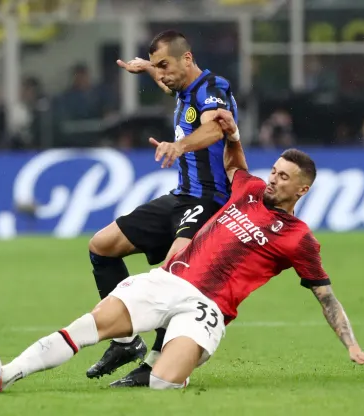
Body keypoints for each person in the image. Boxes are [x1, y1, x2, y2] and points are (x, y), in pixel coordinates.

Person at [0, 109, 364, 392]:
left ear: (302, 190)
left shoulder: (299, 238)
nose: (274, 179)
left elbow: (325, 295)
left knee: (163, 382)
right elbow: (235, 166)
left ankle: (164, 366)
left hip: (207, 310)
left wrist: (352, 345)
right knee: (84, 328)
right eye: (275, 171)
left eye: (284, 177)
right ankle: (5, 373)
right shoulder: (249, 190)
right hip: (169, 281)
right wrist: (233, 136)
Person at [86, 30, 239, 386]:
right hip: (181, 196)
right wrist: (147, 68)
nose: (162, 74)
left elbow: (216, 129)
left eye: (165, 65)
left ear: (187, 58)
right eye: (158, 67)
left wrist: (180, 146)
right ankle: (125, 342)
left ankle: (153, 364)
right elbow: (168, 83)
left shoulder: (213, 87)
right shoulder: (182, 86)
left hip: (210, 201)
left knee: (173, 275)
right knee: (102, 246)